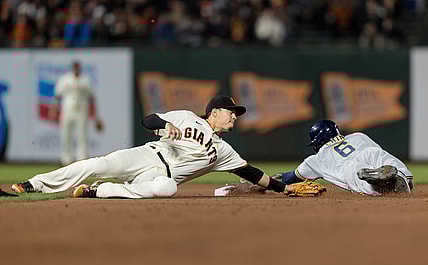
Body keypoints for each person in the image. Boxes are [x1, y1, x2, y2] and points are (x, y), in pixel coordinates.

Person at [11, 96, 288, 198]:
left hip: (158, 177)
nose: (234, 116)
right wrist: (164, 125)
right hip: (146, 155)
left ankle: (100, 191)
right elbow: (148, 120)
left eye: (236, 113)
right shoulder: (186, 117)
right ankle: (33, 184)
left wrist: (283, 188)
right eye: (231, 111)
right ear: (214, 112)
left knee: (168, 189)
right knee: (96, 164)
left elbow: (251, 173)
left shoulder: (224, 152)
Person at [220, 120, 413, 196]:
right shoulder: (358, 136)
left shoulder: (316, 160)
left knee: (359, 179)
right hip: (371, 154)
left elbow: (286, 179)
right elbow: (375, 151)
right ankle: (401, 178)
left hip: (350, 168)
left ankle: (377, 182)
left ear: (318, 141)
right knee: (384, 160)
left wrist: (256, 185)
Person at [49, 60, 104, 165]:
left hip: (82, 111)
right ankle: (66, 159)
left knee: (82, 136)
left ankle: (82, 160)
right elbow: (57, 96)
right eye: (74, 67)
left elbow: (92, 99)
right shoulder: (64, 79)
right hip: (67, 110)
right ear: (72, 68)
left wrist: (96, 116)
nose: (76, 69)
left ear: (80, 68)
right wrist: (53, 110)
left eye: (77, 67)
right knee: (65, 135)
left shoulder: (85, 80)